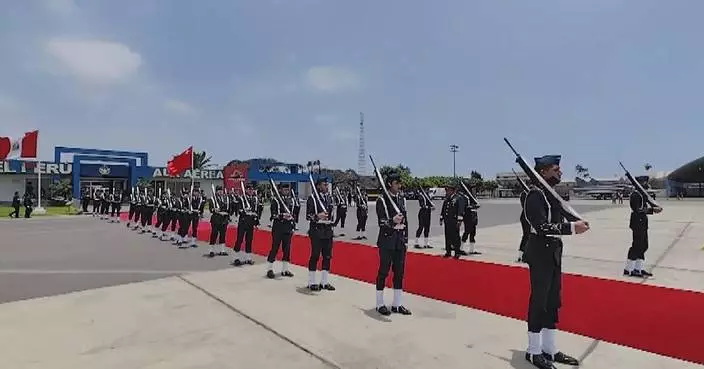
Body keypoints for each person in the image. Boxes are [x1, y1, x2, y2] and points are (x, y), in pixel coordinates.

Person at [522, 154, 589, 369]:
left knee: (552, 301)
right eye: (556, 169)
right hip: (540, 252)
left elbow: (563, 212)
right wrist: (571, 229)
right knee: (539, 301)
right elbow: (541, 227)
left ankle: (549, 349)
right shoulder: (534, 196)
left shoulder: (552, 195)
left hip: (553, 253)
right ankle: (533, 351)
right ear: (543, 172)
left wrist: (577, 220)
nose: (560, 172)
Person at [374, 172, 411, 316]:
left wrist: (406, 240)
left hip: (400, 242)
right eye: (396, 183)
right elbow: (381, 222)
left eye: (399, 183)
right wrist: (392, 221)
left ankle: (397, 304)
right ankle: (379, 303)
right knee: (383, 272)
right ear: (389, 184)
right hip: (386, 241)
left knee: (399, 273)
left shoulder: (402, 199)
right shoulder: (381, 200)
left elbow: (406, 221)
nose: (399, 186)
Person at [624, 176, 662, 277]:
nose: (646, 184)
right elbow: (638, 209)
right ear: (639, 183)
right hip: (637, 222)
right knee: (637, 245)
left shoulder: (642, 194)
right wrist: (652, 210)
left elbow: (642, 209)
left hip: (642, 222)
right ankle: (629, 269)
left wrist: (652, 209)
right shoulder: (635, 195)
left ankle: (638, 268)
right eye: (644, 182)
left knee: (644, 245)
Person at [305, 177, 335, 291]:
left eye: (327, 185)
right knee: (315, 255)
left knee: (327, 257)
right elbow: (308, 215)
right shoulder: (312, 198)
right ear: (318, 186)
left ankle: (324, 281)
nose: (326, 186)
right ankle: (311, 282)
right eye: (324, 184)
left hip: (328, 231)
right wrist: (318, 216)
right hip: (317, 231)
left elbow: (332, 213)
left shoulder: (329, 198)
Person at [267, 183, 296, 278]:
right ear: (280, 190)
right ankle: (270, 269)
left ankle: (285, 269)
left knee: (287, 249)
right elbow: (273, 215)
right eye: (284, 189)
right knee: (275, 248)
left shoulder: (291, 200)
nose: (286, 191)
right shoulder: (275, 200)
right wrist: (282, 216)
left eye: (287, 189)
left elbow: (294, 213)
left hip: (288, 228)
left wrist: (292, 221)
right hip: (278, 228)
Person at [232, 183, 262, 265]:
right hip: (243, 222)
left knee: (249, 241)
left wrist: (256, 221)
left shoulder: (255, 199)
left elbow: (257, 211)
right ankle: (236, 257)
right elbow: (239, 210)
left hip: (251, 223)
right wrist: (245, 211)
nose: (251, 191)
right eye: (249, 189)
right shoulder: (242, 198)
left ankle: (248, 258)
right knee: (239, 240)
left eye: (252, 189)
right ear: (246, 190)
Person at [440, 184, 465, 259]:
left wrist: (459, 220)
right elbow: (444, 209)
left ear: (453, 190)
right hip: (447, 220)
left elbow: (460, 210)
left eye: (448, 190)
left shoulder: (458, 198)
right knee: (447, 236)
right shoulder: (447, 199)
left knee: (455, 237)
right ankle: (448, 252)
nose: (447, 191)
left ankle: (457, 252)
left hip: (454, 221)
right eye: (447, 190)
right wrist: (441, 218)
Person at [208, 185, 230, 258]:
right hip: (216, 219)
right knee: (214, 234)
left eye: (221, 190)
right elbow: (210, 209)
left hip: (224, 219)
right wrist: (214, 209)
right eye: (219, 190)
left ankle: (222, 250)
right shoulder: (212, 199)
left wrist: (228, 214)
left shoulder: (225, 198)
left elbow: (228, 208)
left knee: (223, 235)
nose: (220, 191)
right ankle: (211, 250)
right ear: (216, 191)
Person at [460, 184, 480, 255]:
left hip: (474, 217)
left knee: (473, 233)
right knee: (467, 232)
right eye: (473, 189)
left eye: (475, 189)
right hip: (468, 217)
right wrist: (474, 206)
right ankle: (461, 248)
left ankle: (471, 250)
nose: (475, 190)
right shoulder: (467, 198)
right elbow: (465, 207)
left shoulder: (474, 197)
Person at [517, 188, 530, 263]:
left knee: (527, 236)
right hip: (527, 217)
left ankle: (523, 255)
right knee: (527, 236)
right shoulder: (526, 194)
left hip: (525, 216)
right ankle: (521, 256)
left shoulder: (523, 193)